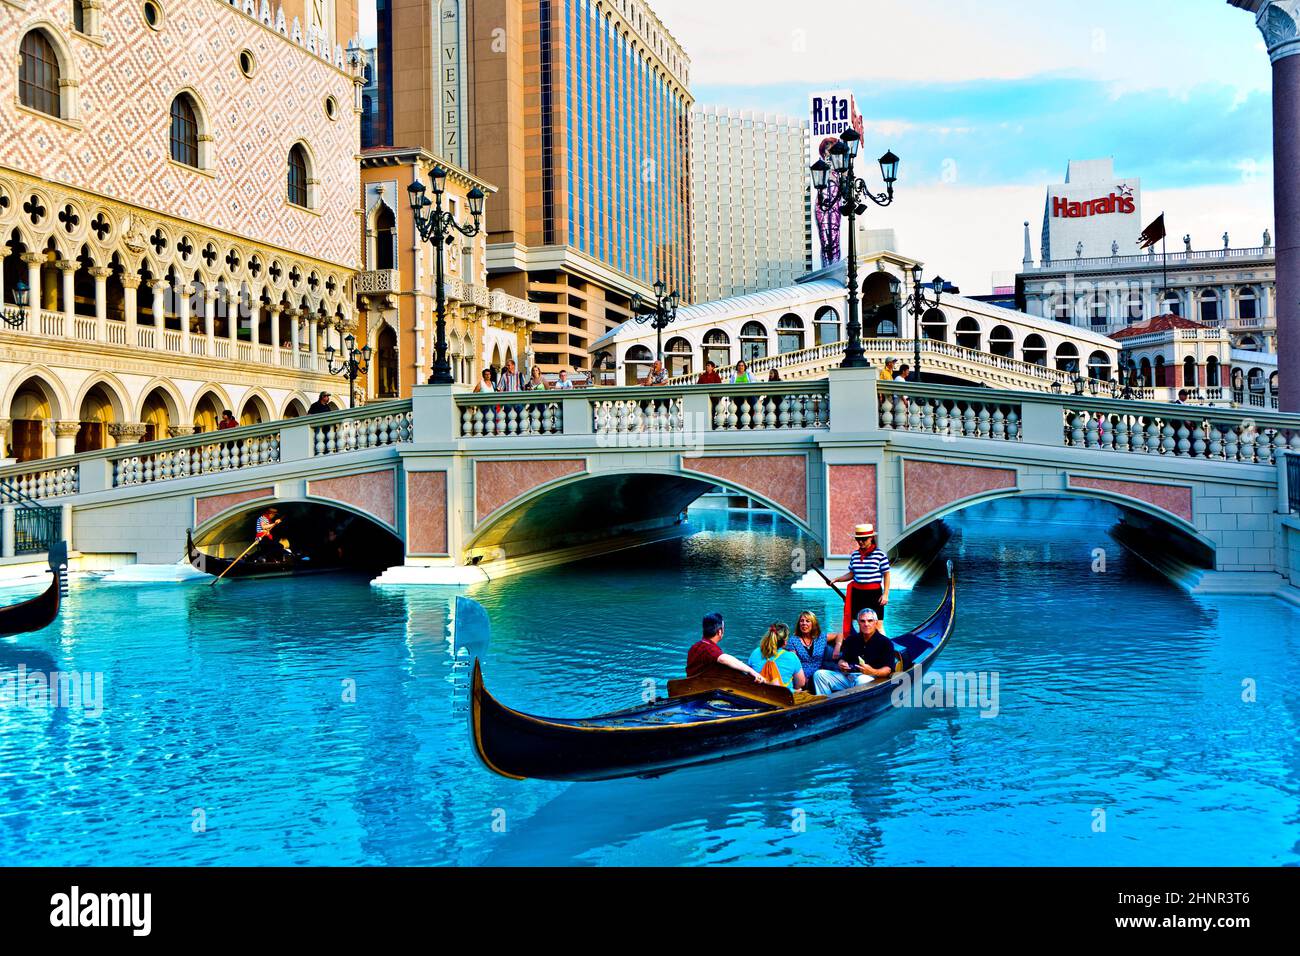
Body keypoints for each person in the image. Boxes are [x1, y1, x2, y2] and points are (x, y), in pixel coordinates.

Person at [813, 609, 897, 695]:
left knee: (862, 680)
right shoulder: (851, 639)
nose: (866, 624)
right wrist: (842, 664)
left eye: (870, 621)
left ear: (875, 622)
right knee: (819, 674)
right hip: (849, 677)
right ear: (858, 623)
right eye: (862, 621)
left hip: (872, 678)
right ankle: (826, 703)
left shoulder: (886, 642)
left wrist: (872, 671)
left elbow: (888, 669)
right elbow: (843, 659)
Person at [833, 523, 891, 634]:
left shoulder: (880, 555)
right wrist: (837, 579)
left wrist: (886, 594)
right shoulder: (855, 555)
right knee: (860, 624)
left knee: (878, 625)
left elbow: (886, 574)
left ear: (871, 538)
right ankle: (862, 649)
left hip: (874, 594)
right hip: (857, 594)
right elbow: (852, 574)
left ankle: (886, 649)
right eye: (858, 539)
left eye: (863, 539)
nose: (860, 542)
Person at [686, 612, 764, 683]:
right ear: (719, 631)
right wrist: (752, 672)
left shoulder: (694, 647)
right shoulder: (709, 649)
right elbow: (723, 658)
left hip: (692, 684)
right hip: (701, 687)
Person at [747, 622, 805, 690]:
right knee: (799, 689)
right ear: (785, 642)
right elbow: (801, 683)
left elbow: (749, 674)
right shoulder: (792, 657)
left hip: (758, 693)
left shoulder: (756, 652)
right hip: (783, 697)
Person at [784, 610, 834, 688]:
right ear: (799, 624)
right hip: (802, 676)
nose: (804, 623)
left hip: (819, 674)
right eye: (802, 621)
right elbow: (794, 662)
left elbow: (839, 635)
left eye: (808, 621)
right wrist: (801, 677)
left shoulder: (820, 637)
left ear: (813, 624)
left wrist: (837, 647)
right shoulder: (793, 640)